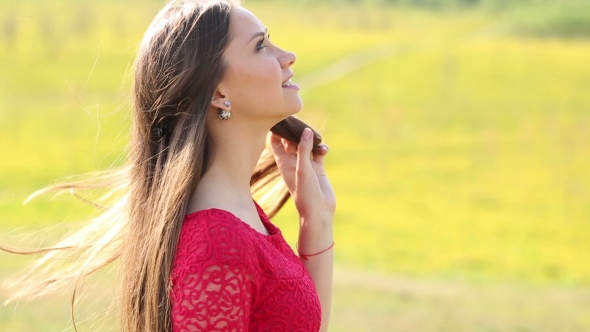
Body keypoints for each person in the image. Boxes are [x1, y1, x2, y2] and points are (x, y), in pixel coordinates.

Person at [1, 0, 336, 331]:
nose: (286, 56)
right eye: (260, 46)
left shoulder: (241, 216)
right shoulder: (218, 243)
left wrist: (317, 219)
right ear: (219, 92)